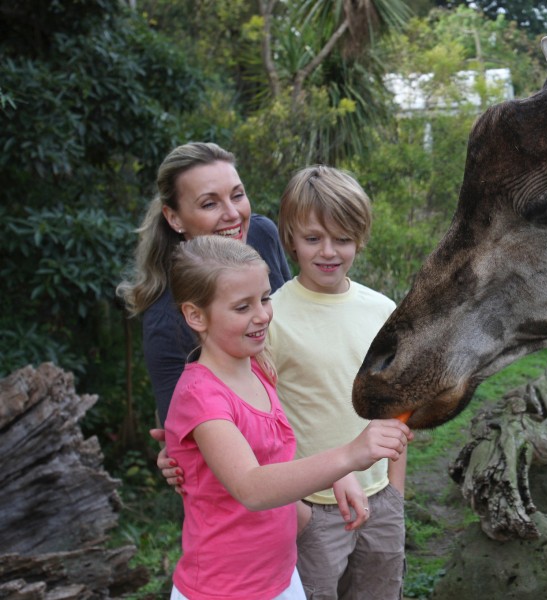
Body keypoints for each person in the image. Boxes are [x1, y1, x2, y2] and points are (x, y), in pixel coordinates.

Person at [163, 234, 411, 600]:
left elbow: (271, 454)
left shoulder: (258, 367)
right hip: (222, 589)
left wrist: (332, 476)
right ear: (196, 315)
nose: (262, 315)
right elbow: (251, 486)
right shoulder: (201, 397)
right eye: (242, 307)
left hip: (280, 579)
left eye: (264, 298)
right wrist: (348, 457)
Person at [268, 165, 405, 599]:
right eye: (313, 238)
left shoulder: (383, 311)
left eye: (342, 238)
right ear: (291, 239)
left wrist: (395, 493)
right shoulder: (271, 318)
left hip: (381, 501)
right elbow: (262, 423)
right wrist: (297, 510)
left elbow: (397, 408)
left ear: (360, 238)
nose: (328, 251)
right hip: (313, 511)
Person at [116, 142, 292, 424]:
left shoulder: (261, 235)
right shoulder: (167, 319)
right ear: (174, 218)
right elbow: (182, 430)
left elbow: (297, 318)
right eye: (209, 203)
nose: (232, 214)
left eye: (237, 195)